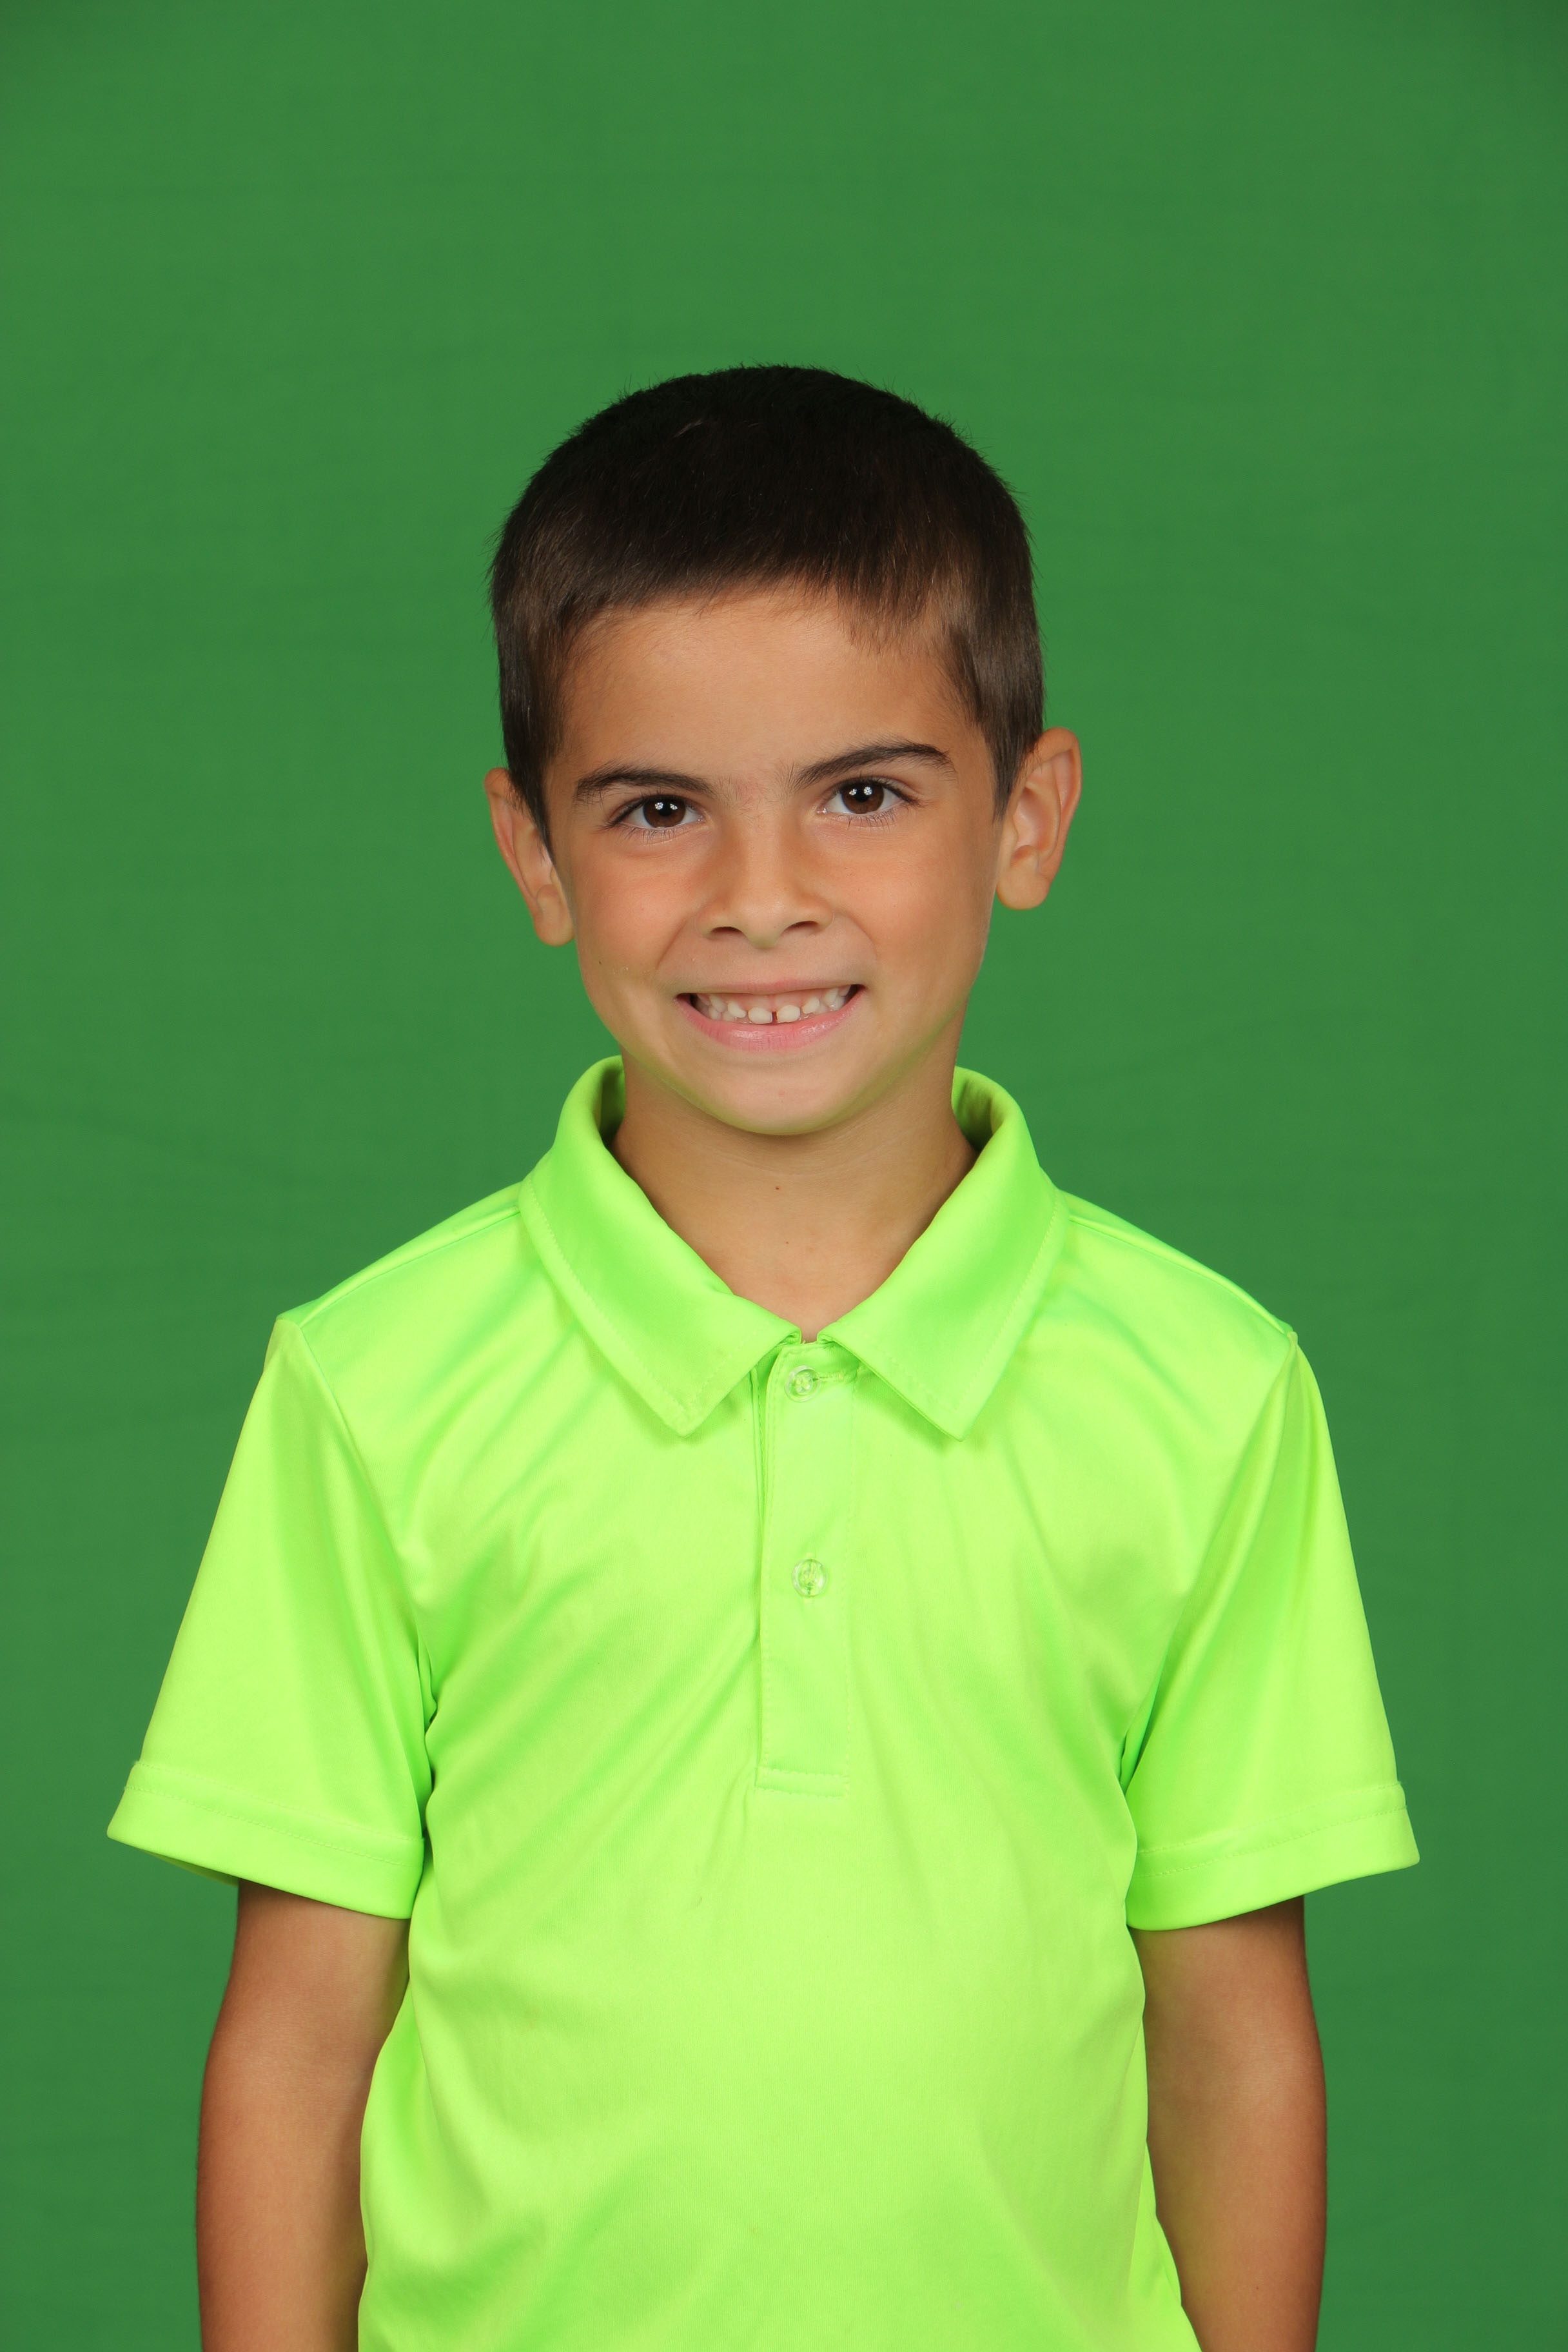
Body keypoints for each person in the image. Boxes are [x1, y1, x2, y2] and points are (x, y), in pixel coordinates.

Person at [109, 365, 1417, 2352]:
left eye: (864, 795)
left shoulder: (1209, 1391)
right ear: (535, 855)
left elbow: (1232, 2037)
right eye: (658, 811)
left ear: (1028, 819)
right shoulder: (374, 1384)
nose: (762, 900)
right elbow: (297, 2042)